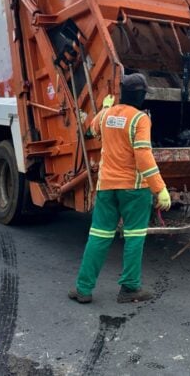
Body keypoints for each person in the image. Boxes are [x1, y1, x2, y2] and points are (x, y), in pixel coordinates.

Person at [68, 73, 171, 304]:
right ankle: (130, 289)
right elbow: (143, 155)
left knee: (98, 236)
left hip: (106, 187)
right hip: (134, 190)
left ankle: (83, 289)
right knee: (134, 237)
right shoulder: (140, 119)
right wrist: (160, 189)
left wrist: (104, 108)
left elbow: (90, 131)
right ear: (142, 96)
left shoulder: (106, 115)